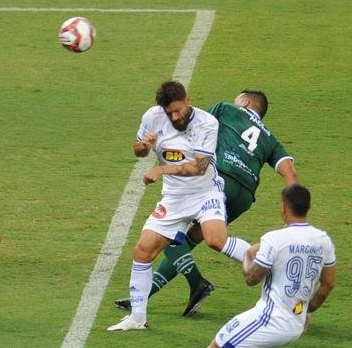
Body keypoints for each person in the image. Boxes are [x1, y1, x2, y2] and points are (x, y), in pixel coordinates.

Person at [145, 184, 336, 348]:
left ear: (283, 208)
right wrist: (307, 311)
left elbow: (251, 278)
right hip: (294, 321)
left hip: (269, 318)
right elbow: (328, 284)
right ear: (307, 208)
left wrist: (248, 256)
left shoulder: (274, 240)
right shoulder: (323, 240)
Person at [114, 90, 299, 317]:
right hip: (243, 196)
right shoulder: (270, 139)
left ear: (246, 102)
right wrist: (292, 220)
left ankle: (200, 282)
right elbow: (290, 175)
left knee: (169, 233)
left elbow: (191, 126)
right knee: (189, 239)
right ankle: (149, 296)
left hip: (217, 180)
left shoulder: (226, 109)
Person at [108, 80, 253, 331]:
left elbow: (200, 167)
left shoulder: (208, 123)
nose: (175, 117)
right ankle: (137, 318)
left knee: (215, 240)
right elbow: (138, 150)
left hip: (206, 192)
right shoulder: (152, 117)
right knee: (143, 251)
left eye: (178, 110)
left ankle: (267, 260)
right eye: (169, 113)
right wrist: (144, 147)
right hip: (174, 198)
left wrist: (162, 168)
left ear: (188, 100)